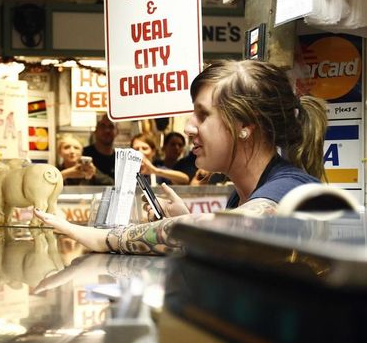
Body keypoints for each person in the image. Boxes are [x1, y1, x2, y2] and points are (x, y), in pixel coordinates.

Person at [34, 59, 328, 255]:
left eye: (203, 115)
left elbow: (239, 226)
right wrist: (187, 221)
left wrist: (101, 239)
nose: (188, 127)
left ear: (245, 126)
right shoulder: (240, 197)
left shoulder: (290, 187)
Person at [83, 114, 117, 180]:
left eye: (111, 126)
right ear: (95, 131)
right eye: (102, 126)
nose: (107, 130)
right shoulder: (84, 154)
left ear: (117, 132)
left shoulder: (120, 159)